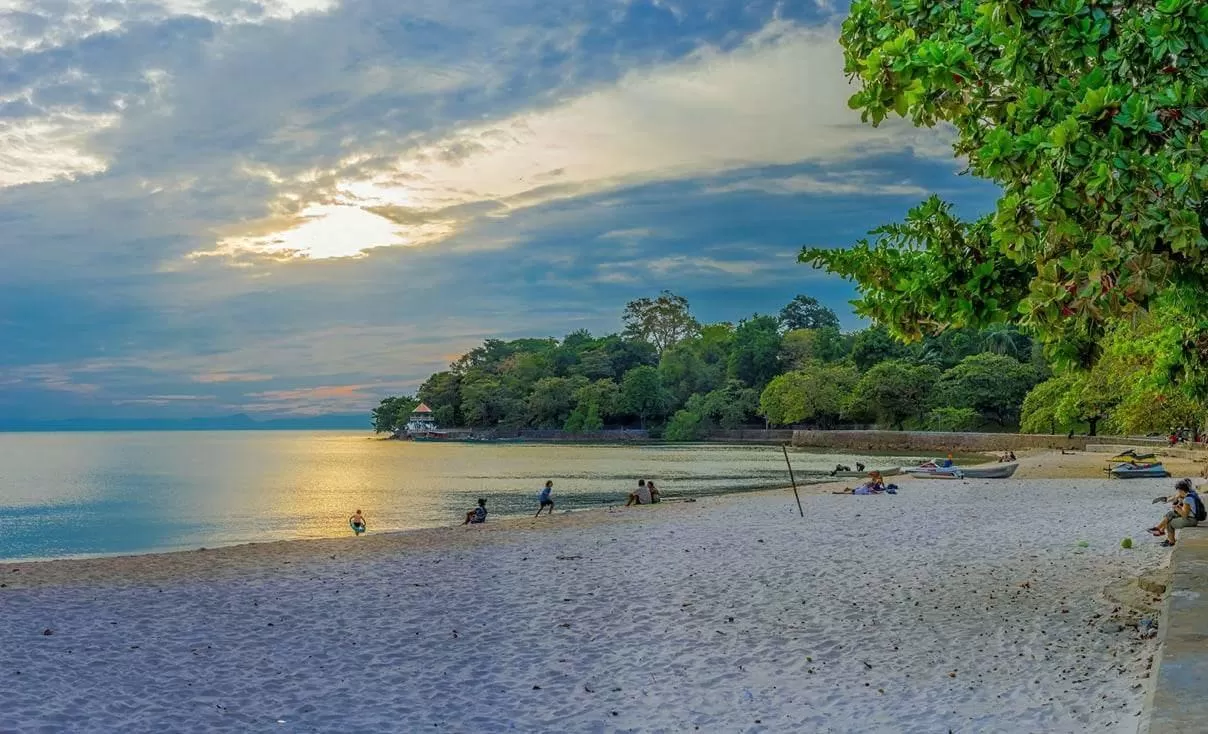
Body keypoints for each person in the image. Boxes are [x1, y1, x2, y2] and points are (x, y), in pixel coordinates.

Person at [1149, 479, 1202, 546]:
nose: (1178, 492)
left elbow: (1185, 515)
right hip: (1192, 518)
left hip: (1191, 520)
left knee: (1170, 522)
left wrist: (1177, 509)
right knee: (1170, 514)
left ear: (1181, 490)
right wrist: (1178, 507)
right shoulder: (1190, 495)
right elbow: (1188, 510)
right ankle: (1160, 530)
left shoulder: (1187, 499)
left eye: (1178, 490)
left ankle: (1170, 540)